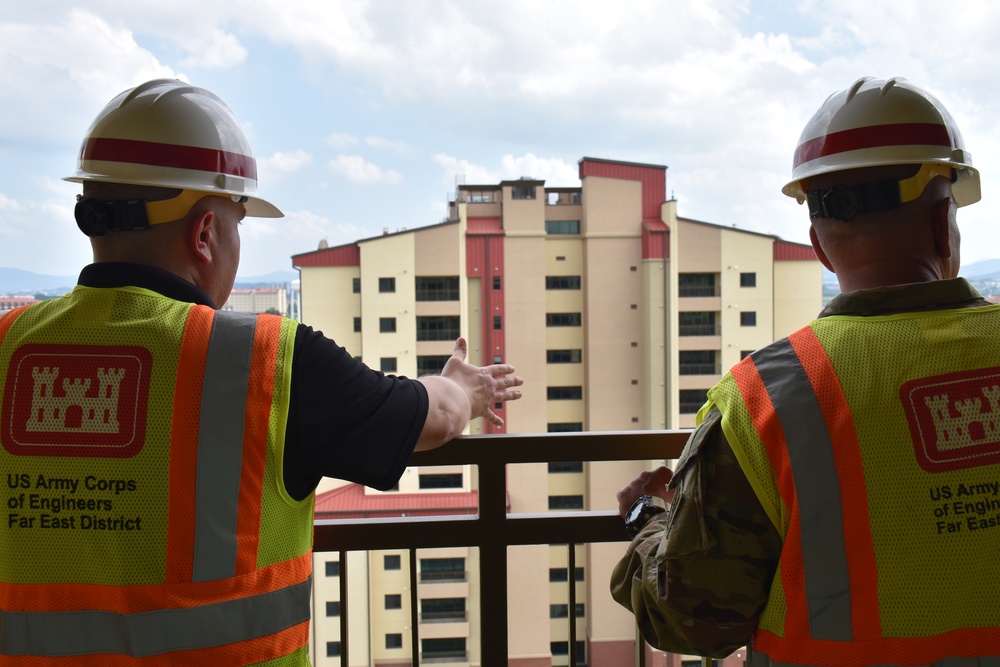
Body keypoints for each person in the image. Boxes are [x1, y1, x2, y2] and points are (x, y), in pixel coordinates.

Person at [0, 79, 522, 665]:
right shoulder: (264, 361)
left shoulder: (7, 345)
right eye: (237, 223)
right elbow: (432, 417)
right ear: (203, 233)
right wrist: (462, 387)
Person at [610, 76, 1000, 664]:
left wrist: (649, 520)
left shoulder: (767, 397)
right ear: (945, 220)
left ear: (819, 244)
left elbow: (694, 623)